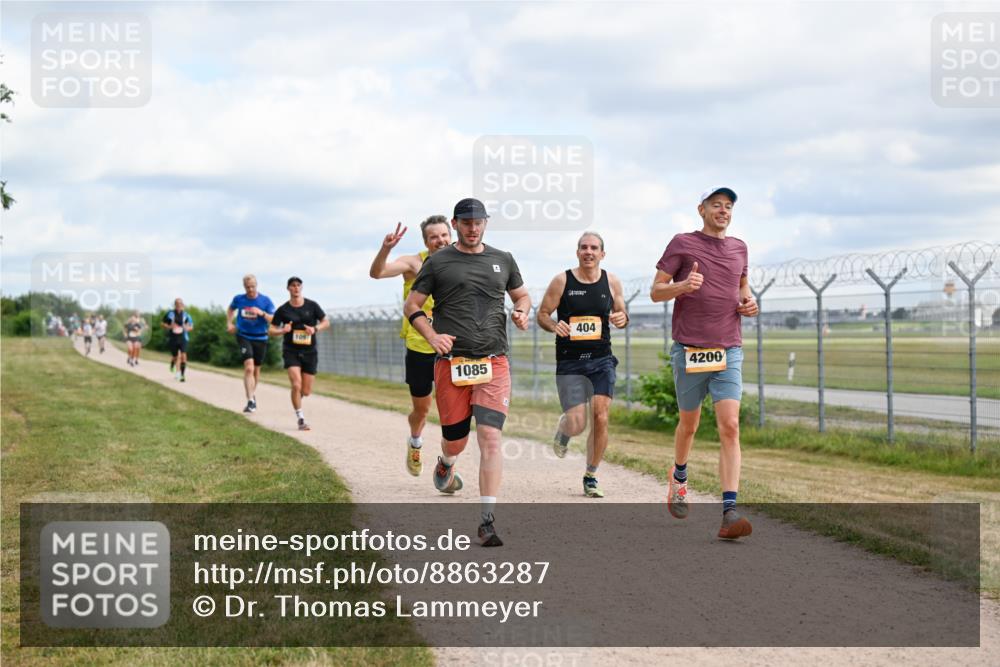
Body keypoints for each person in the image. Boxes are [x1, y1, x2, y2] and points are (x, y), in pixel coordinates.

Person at [404, 197, 531, 547]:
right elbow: (411, 305)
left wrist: (521, 312)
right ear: (455, 223)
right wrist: (431, 335)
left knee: (490, 438)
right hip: (452, 364)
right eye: (466, 222)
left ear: (486, 223)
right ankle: (446, 461)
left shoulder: (503, 259)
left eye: (478, 222)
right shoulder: (439, 262)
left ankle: (487, 521)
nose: (473, 228)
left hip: (494, 362)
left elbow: (522, 296)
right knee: (456, 440)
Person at [650, 186, 759, 540]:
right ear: (701, 209)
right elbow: (656, 291)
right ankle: (679, 476)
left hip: (729, 349)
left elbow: (743, 290)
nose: (723, 211)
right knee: (690, 425)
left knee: (730, 426)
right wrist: (683, 286)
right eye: (717, 205)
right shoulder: (682, 243)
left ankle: (729, 512)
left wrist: (749, 303)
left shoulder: (739, 248)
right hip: (690, 350)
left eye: (728, 206)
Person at [536, 232, 629, 498]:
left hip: (601, 360)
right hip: (570, 362)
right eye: (584, 247)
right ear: (577, 252)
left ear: (602, 253)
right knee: (577, 423)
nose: (589, 251)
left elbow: (622, 314)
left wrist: (623, 319)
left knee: (600, 416)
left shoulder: (611, 281)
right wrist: (555, 325)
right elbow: (543, 314)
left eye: (594, 248)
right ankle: (564, 430)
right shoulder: (562, 280)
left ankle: (591, 475)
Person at [369, 216, 452, 475]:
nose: (440, 240)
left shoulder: (461, 261)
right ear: (426, 241)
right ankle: (415, 441)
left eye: (443, 235)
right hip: (420, 346)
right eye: (434, 237)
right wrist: (386, 248)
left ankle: (448, 462)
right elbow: (377, 273)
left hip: (452, 345)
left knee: (453, 408)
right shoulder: (414, 263)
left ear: (451, 235)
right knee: (423, 408)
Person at [269, 277, 330, 431]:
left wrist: (315, 329)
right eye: (292, 286)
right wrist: (283, 330)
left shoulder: (312, 305)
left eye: (298, 285)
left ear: (301, 287)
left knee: (306, 391)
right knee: (296, 384)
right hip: (291, 350)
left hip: (309, 351)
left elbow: (326, 322)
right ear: (288, 289)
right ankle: (301, 418)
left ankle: (297, 398)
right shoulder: (283, 310)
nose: (295, 288)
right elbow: (271, 330)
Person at [226, 274, 275, 413]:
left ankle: (251, 397)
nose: (250, 289)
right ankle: (251, 400)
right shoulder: (239, 299)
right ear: (244, 287)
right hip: (243, 336)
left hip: (260, 338)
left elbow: (274, 319)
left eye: (253, 286)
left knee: (256, 371)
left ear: (256, 285)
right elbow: (231, 309)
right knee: (249, 368)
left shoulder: (265, 301)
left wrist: (262, 313)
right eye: (248, 287)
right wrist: (229, 323)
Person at [162, 298, 194, 382]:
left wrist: (186, 328)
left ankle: (181, 375)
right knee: (175, 356)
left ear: (183, 305)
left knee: (183, 355)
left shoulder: (186, 315)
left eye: (180, 304)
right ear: (175, 305)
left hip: (183, 337)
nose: (179, 306)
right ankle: (172, 364)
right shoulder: (170, 314)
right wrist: (169, 327)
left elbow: (191, 327)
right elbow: (163, 323)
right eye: (177, 304)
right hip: (173, 337)